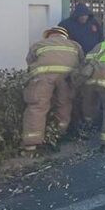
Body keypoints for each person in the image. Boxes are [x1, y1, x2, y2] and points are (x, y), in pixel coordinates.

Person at [21, 26, 84, 154]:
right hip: (67, 78)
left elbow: (30, 62)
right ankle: (58, 135)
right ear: (64, 36)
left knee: (37, 107)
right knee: (64, 105)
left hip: (43, 78)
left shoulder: (38, 44)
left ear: (49, 35)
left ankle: (31, 145)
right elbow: (82, 62)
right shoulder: (75, 45)